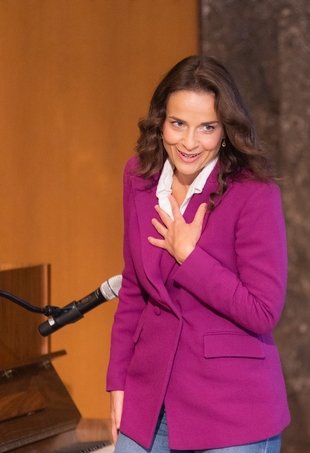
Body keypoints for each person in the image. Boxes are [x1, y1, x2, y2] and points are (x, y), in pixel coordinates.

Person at [107, 55, 289, 453]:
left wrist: (190, 258)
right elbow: (134, 288)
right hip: (149, 398)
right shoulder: (138, 177)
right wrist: (118, 381)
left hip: (231, 410)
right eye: (178, 124)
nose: (189, 143)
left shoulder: (254, 192)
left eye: (207, 127)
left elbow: (263, 311)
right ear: (161, 123)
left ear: (225, 131)